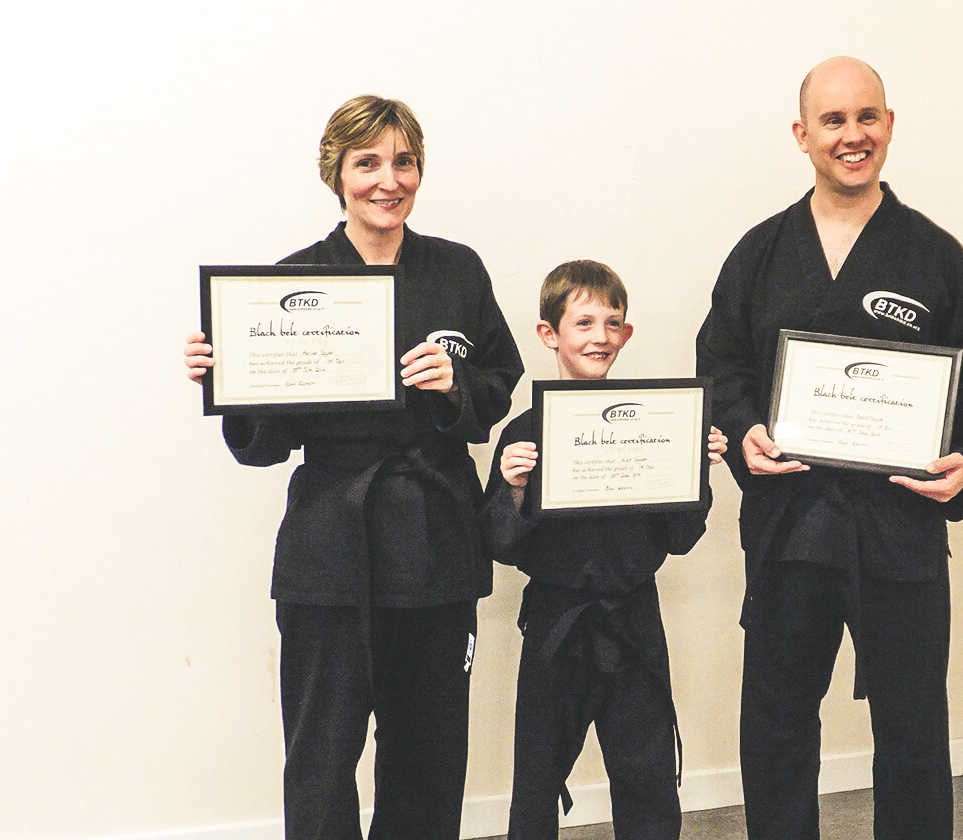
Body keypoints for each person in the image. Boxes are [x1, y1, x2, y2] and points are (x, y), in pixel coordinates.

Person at [183, 95, 524, 840]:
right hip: (330, 541)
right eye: (367, 162)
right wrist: (229, 380)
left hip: (437, 533)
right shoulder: (290, 282)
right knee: (322, 751)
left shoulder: (457, 270)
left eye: (404, 161)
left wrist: (453, 388)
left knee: (429, 749)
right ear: (335, 174)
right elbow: (264, 445)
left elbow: (498, 385)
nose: (388, 179)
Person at [695, 57, 963, 840]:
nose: (852, 135)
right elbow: (721, 368)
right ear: (802, 135)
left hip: (897, 533)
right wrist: (744, 435)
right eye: (833, 121)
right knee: (776, 724)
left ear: (890, 125)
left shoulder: (936, 258)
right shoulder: (761, 254)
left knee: (910, 731)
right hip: (789, 528)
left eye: (866, 117)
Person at [481, 260, 728, 840]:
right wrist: (513, 491)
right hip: (555, 624)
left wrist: (697, 475)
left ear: (627, 334)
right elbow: (499, 544)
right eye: (583, 322)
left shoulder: (658, 426)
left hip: (634, 619)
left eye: (612, 323)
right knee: (537, 777)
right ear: (550, 334)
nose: (599, 336)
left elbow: (681, 539)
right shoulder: (523, 432)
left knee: (646, 776)